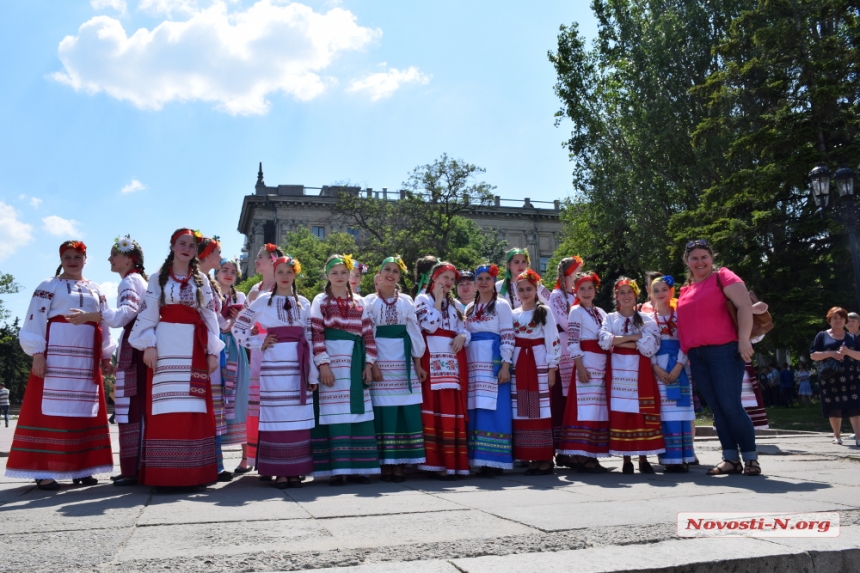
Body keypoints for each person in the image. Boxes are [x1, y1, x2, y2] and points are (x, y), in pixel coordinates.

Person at [8, 240, 114, 490]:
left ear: (86, 258)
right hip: (55, 356)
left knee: (83, 412)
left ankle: (83, 467)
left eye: (77, 256)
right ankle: (44, 471)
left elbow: (104, 323)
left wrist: (106, 355)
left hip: (86, 358)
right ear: (60, 259)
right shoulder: (49, 285)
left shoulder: (96, 289)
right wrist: (37, 354)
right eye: (67, 257)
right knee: (50, 413)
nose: (72, 261)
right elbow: (35, 318)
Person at [129, 228, 224, 487]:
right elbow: (148, 314)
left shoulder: (202, 280)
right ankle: (165, 473)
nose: (187, 249)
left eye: (192, 246)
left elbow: (210, 316)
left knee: (194, 406)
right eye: (182, 244)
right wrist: (148, 344)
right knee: (166, 405)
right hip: (166, 345)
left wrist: (213, 350)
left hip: (194, 345)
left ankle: (195, 472)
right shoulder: (158, 278)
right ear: (172, 246)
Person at [676, 239, 761, 477]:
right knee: (718, 409)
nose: (699, 262)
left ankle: (751, 458)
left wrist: (743, 339)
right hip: (697, 354)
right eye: (694, 258)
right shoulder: (686, 289)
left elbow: (744, 306)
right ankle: (731, 459)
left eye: (704, 257)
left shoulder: (722, 276)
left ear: (712, 258)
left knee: (731, 406)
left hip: (724, 350)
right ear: (687, 261)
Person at [68, 235, 148, 486]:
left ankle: (133, 468)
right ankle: (138, 465)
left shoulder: (129, 282)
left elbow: (126, 313)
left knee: (132, 406)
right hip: (139, 343)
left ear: (129, 258)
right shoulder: (137, 280)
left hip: (135, 346)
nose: (110, 258)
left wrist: (93, 315)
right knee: (136, 404)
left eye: (115, 254)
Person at [233, 255, 317, 488]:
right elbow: (239, 328)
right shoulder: (262, 301)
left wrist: (313, 374)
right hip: (274, 367)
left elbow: (309, 337)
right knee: (276, 415)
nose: (284, 276)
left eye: (289, 272)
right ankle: (280, 470)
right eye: (280, 272)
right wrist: (259, 341)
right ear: (274, 273)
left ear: (295, 274)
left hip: (298, 366)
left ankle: (296, 469)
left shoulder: (304, 303)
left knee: (297, 415)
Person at [310, 254, 380, 485]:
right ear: (327, 275)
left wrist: (369, 363)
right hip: (332, 363)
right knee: (334, 413)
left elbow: (368, 334)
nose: (339, 277)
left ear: (350, 274)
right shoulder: (321, 301)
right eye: (334, 273)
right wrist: (324, 365)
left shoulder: (360, 302)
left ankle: (359, 467)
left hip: (355, 360)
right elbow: (316, 333)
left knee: (357, 413)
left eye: (343, 272)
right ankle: (338, 468)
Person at [364, 256, 427, 482]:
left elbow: (414, 333)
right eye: (387, 269)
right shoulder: (369, 302)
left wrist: (418, 364)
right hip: (380, 359)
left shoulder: (406, 301)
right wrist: (373, 364)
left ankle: (400, 463)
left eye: (396, 271)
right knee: (383, 410)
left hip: (403, 360)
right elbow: (367, 334)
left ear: (400, 276)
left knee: (403, 410)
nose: (391, 274)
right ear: (379, 275)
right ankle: (384, 463)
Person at [599, 278, 664, 474]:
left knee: (641, 412)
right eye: (622, 292)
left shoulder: (646, 319)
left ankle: (644, 457)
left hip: (640, 370)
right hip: (618, 371)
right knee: (621, 411)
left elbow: (651, 346)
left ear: (636, 295)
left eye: (629, 292)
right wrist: (635, 338)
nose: (626, 296)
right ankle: (626, 458)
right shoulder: (610, 318)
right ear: (616, 296)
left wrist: (619, 341)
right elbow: (604, 341)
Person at [415, 261, 471, 479]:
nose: (448, 282)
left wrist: (462, 335)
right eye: (444, 278)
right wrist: (437, 301)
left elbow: (464, 329)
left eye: (451, 279)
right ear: (434, 278)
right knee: (432, 405)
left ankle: (452, 462)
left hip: (450, 360)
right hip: (430, 357)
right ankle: (433, 463)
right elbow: (429, 326)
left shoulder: (455, 304)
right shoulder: (422, 299)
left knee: (448, 406)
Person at [464, 263, 515, 475]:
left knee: (494, 410)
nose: (483, 282)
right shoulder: (469, 308)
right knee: (475, 409)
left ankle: (495, 460)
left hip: (494, 364)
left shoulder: (502, 305)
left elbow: (508, 336)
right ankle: (479, 459)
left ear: (494, 281)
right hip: (473, 365)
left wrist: (505, 365)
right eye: (480, 279)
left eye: (487, 278)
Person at [557, 271, 610, 472]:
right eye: (582, 288)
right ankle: (581, 454)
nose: (586, 292)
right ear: (575, 291)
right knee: (585, 409)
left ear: (596, 289)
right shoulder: (576, 311)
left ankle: (593, 452)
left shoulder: (602, 312)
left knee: (598, 409)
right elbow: (572, 341)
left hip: (602, 362)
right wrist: (579, 366)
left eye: (590, 288)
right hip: (586, 362)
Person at [237, 243, 282, 476]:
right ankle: (253, 456)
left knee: (276, 402)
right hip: (259, 351)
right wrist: (253, 335)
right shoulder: (255, 290)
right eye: (255, 257)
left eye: (260, 257)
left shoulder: (282, 286)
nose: (256, 261)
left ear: (273, 261)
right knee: (257, 405)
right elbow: (244, 325)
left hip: (279, 349)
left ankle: (276, 455)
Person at [511, 269, 561, 475]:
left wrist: (552, 368)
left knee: (540, 408)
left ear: (536, 289)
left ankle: (545, 458)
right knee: (522, 407)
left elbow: (553, 340)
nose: (524, 293)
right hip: (519, 366)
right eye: (521, 289)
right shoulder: (513, 314)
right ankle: (531, 457)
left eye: (529, 289)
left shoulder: (544, 312)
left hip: (538, 364)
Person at [649, 275, 696, 473]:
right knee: (665, 414)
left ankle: (684, 456)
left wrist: (678, 366)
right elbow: (647, 345)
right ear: (651, 294)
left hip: (680, 365)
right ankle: (669, 458)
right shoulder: (648, 319)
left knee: (682, 411)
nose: (660, 294)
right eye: (656, 290)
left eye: (664, 289)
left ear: (672, 291)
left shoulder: (680, 315)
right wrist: (655, 367)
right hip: (659, 366)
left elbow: (686, 340)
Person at [196, 235, 233, 482]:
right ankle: (201, 461)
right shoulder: (194, 279)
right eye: (218, 253)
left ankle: (214, 463)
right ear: (208, 255)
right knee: (201, 401)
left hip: (212, 344)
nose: (220, 258)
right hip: (197, 344)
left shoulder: (208, 282)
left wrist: (232, 323)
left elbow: (215, 319)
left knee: (213, 404)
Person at [548, 256, 583, 467]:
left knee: (577, 398)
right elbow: (565, 321)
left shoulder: (576, 294)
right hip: (564, 348)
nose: (578, 275)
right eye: (576, 271)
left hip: (579, 347)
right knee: (563, 399)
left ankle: (575, 445)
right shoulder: (557, 296)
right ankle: (562, 449)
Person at [809, 307, 860, 447]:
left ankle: (859, 437)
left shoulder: (853, 337)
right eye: (835, 318)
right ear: (829, 320)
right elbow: (813, 355)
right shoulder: (822, 335)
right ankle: (837, 435)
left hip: (851, 377)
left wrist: (848, 352)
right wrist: (831, 353)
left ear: (845, 321)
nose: (838, 321)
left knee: (855, 406)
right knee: (834, 407)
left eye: (841, 318)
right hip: (830, 378)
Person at [214, 259, 250, 451]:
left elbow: (247, 327)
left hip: (235, 347)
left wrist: (237, 321)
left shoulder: (241, 296)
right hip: (215, 346)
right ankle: (214, 450)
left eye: (233, 272)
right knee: (216, 396)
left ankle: (245, 455)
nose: (229, 274)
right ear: (216, 273)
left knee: (240, 396)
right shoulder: (210, 294)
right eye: (224, 270)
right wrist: (224, 319)